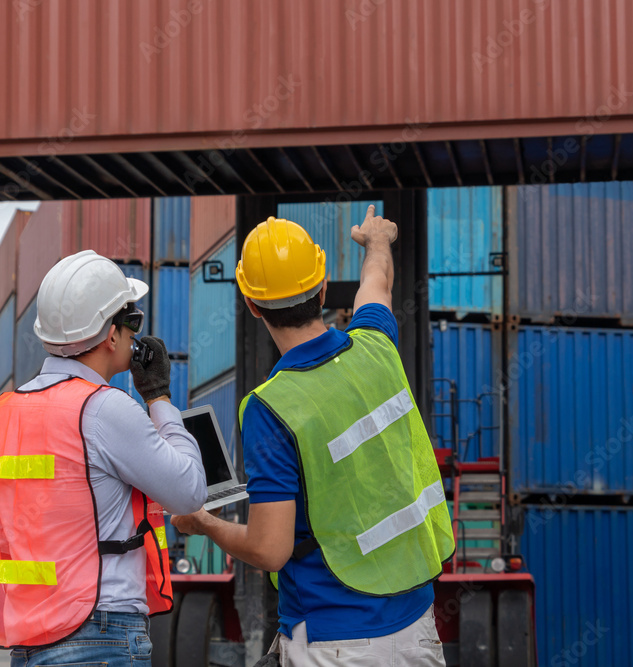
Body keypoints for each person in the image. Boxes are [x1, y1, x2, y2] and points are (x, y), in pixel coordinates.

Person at [173, 206, 454, 666]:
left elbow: (269, 549)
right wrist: (378, 240)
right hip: (417, 631)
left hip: (333, 642)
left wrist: (202, 522)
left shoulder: (270, 407)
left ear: (250, 304)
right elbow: (377, 282)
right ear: (323, 288)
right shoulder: (376, 346)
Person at [0, 250, 207, 667]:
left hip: (30, 641)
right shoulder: (103, 409)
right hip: (101, 637)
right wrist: (158, 397)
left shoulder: (4, 414)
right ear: (111, 336)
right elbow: (189, 492)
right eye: (132, 320)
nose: (136, 334)